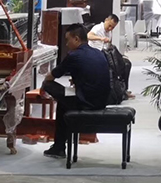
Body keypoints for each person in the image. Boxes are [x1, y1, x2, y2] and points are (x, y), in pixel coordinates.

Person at [42, 24, 111, 159]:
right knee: (63, 104)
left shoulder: (74, 55)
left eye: (68, 40)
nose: (66, 44)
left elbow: (52, 76)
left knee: (47, 85)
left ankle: (59, 147)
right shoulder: (98, 53)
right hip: (102, 100)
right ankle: (59, 147)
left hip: (86, 102)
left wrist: (45, 81)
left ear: (77, 39)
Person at [88, 14, 134, 99]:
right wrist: (100, 38)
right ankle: (118, 89)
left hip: (106, 54)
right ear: (106, 20)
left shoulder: (109, 32)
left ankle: (123, 89)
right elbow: (89, 36)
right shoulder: (98, 28)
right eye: (109, 26)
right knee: (116, 67)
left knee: (127, 64)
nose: (110, 28)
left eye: (112, 27)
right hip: (96, 55)